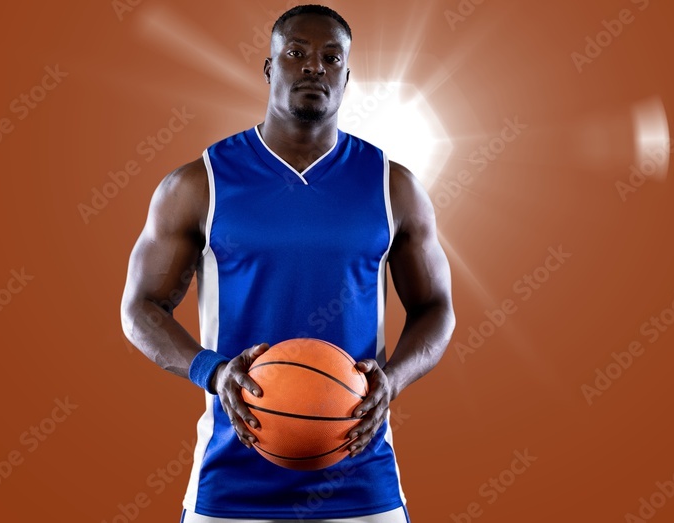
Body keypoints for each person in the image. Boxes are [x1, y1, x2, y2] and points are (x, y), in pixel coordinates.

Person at [120, 5, 455, 522]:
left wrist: (391, 380)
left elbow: (435, 308)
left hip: (361, 479)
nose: (313, 67)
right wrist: (212, 371)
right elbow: (140, 308)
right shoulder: (199, 183)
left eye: (330, 57)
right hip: (230, 482)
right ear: (270, 68)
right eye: (296, 53)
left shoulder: (392, 186)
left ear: (347, 75)